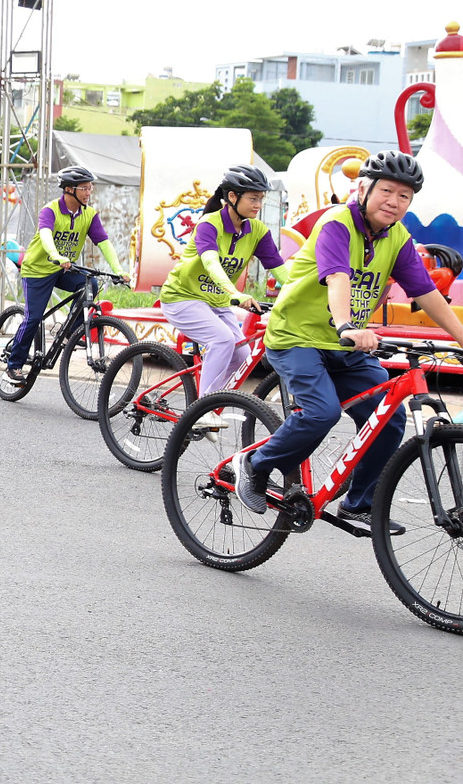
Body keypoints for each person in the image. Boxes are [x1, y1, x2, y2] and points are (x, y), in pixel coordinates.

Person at [235, 150, 463, 532]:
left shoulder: (397, 237)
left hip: (347, 346)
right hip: (298, 337)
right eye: (386, 191)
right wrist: (345, 325)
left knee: (389, 419)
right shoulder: (337, 223)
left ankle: (359, 504)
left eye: (404, 196)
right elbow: (338, 277)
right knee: (321, 413)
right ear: (363, 188)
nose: (394, 202)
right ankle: (255, 465)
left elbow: (426, 293)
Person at [158, 165, 290, 400]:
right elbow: (212, 264)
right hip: (182, 298)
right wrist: (235, 294)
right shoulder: (209, 224)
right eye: (252, 198)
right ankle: (203, 408)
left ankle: (216, 400)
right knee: (222, 340)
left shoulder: (257, 230)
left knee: (242, 355)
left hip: (216, 303)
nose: (258, 204)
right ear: (232, 197)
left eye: (261, 198)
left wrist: (304, 292)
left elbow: (280, 270)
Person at [3, 165, 129, 386]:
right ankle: (13, 366)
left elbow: (104, 242)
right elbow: (45, 235)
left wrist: (118, 269)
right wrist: (55, 254)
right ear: (69, 189)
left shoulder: (89, 215)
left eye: (91, 188)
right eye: (85, 188)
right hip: (38, 270)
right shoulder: (50, 210)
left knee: (91, 285)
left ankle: (71, 332)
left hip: (64, 269)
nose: (89, 192)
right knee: (33, 318)